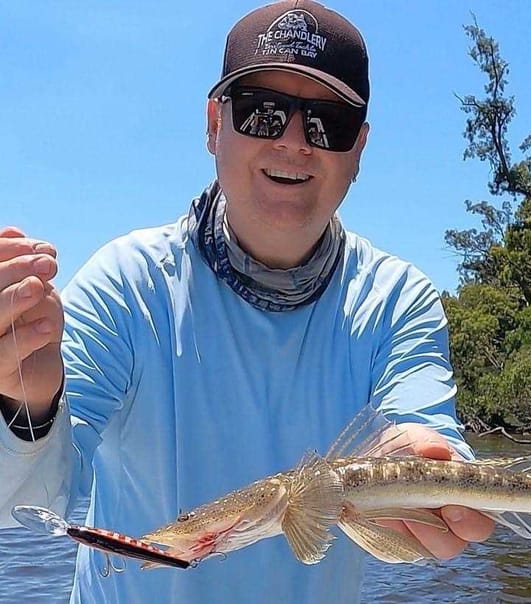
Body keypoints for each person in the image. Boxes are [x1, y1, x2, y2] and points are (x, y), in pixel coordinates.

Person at [0, 1, 494, 602]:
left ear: (358, 149)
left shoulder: (397, 300)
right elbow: (25, 505)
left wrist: (426, 471)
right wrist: (26, 400)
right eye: (263, 112)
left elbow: (424, 424)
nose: (293, 142)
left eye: (327, 124)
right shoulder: (127, 285)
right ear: (214, 124)